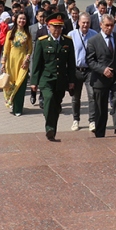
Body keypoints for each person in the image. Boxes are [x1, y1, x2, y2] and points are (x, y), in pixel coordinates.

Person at [30, 12, 76, 141]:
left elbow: (71, 64)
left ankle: (52, 131)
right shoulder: (42, 42)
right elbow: (37, 63)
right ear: (49, 27)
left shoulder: (67, 41)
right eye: (55, 27)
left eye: (60, 27)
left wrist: (71, 81)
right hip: (46, 79)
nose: (57, 30)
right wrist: (34, 81)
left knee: (56, 106)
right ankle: (49, 128)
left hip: (61, 80)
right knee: (48, 99)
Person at [86, 14, 116, 137]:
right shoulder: (93, 41)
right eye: (107, 25)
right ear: (101, 25)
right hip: (100, 78)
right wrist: (102, 69)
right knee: (100, 106)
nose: (109, 28)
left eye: (111, 25)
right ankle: (100, 131)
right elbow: (90, 61)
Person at [68, 13, 98, 131]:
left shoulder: (94, 35)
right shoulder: (71, 35)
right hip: (76, 70)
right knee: (76, 97)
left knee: (92, 95)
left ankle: (92, 121)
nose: (85, 25)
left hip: (90, 71)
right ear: (79, 22)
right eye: (83, 22)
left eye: (87, 23)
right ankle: (76, 120)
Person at [2, 13, 32, 116]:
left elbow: (30, 49)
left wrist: (27, 59)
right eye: (20, 18)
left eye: (24, 19)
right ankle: (11, 102)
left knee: (20, 85)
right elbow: (6, 49)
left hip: (22, 63)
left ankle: (18, 108)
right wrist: (3, 63)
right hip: (11, 63)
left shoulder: (27, 34)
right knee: (10, 84)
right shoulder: (10, 33)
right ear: (16, 20)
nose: (22, 21)